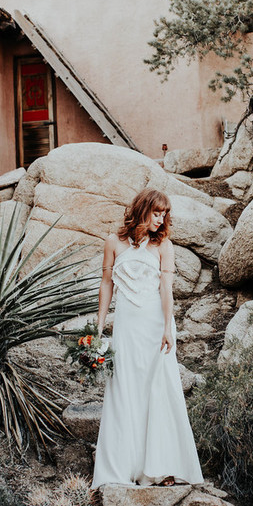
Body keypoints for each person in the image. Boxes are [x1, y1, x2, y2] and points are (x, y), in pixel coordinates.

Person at [91, 188, 203, 489]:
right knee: (125, 389)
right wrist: (99, 327)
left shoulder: (164, 246)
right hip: (127, 325)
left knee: (159, 390)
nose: (161, 218)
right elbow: (106, 285)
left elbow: (166, 290)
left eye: (164, 213)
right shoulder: (113, 242)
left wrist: (168, 327)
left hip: (155, 325)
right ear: (142, 210)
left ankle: (161, 467)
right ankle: (123, 468)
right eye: (156, 212)